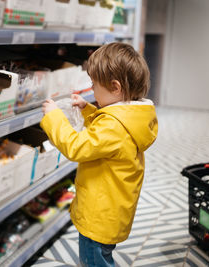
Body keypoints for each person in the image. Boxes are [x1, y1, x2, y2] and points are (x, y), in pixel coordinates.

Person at [40, 42, 158, 267]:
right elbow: (105, 133)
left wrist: (54, 117)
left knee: (94, 261)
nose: (92, 90)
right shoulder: (132, 117)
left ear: (115, 87)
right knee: (101, 257)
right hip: (111, 211)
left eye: (94, 86)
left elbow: (76, 146)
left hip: (99, 214)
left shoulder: (113, 127)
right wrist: (88, 109)